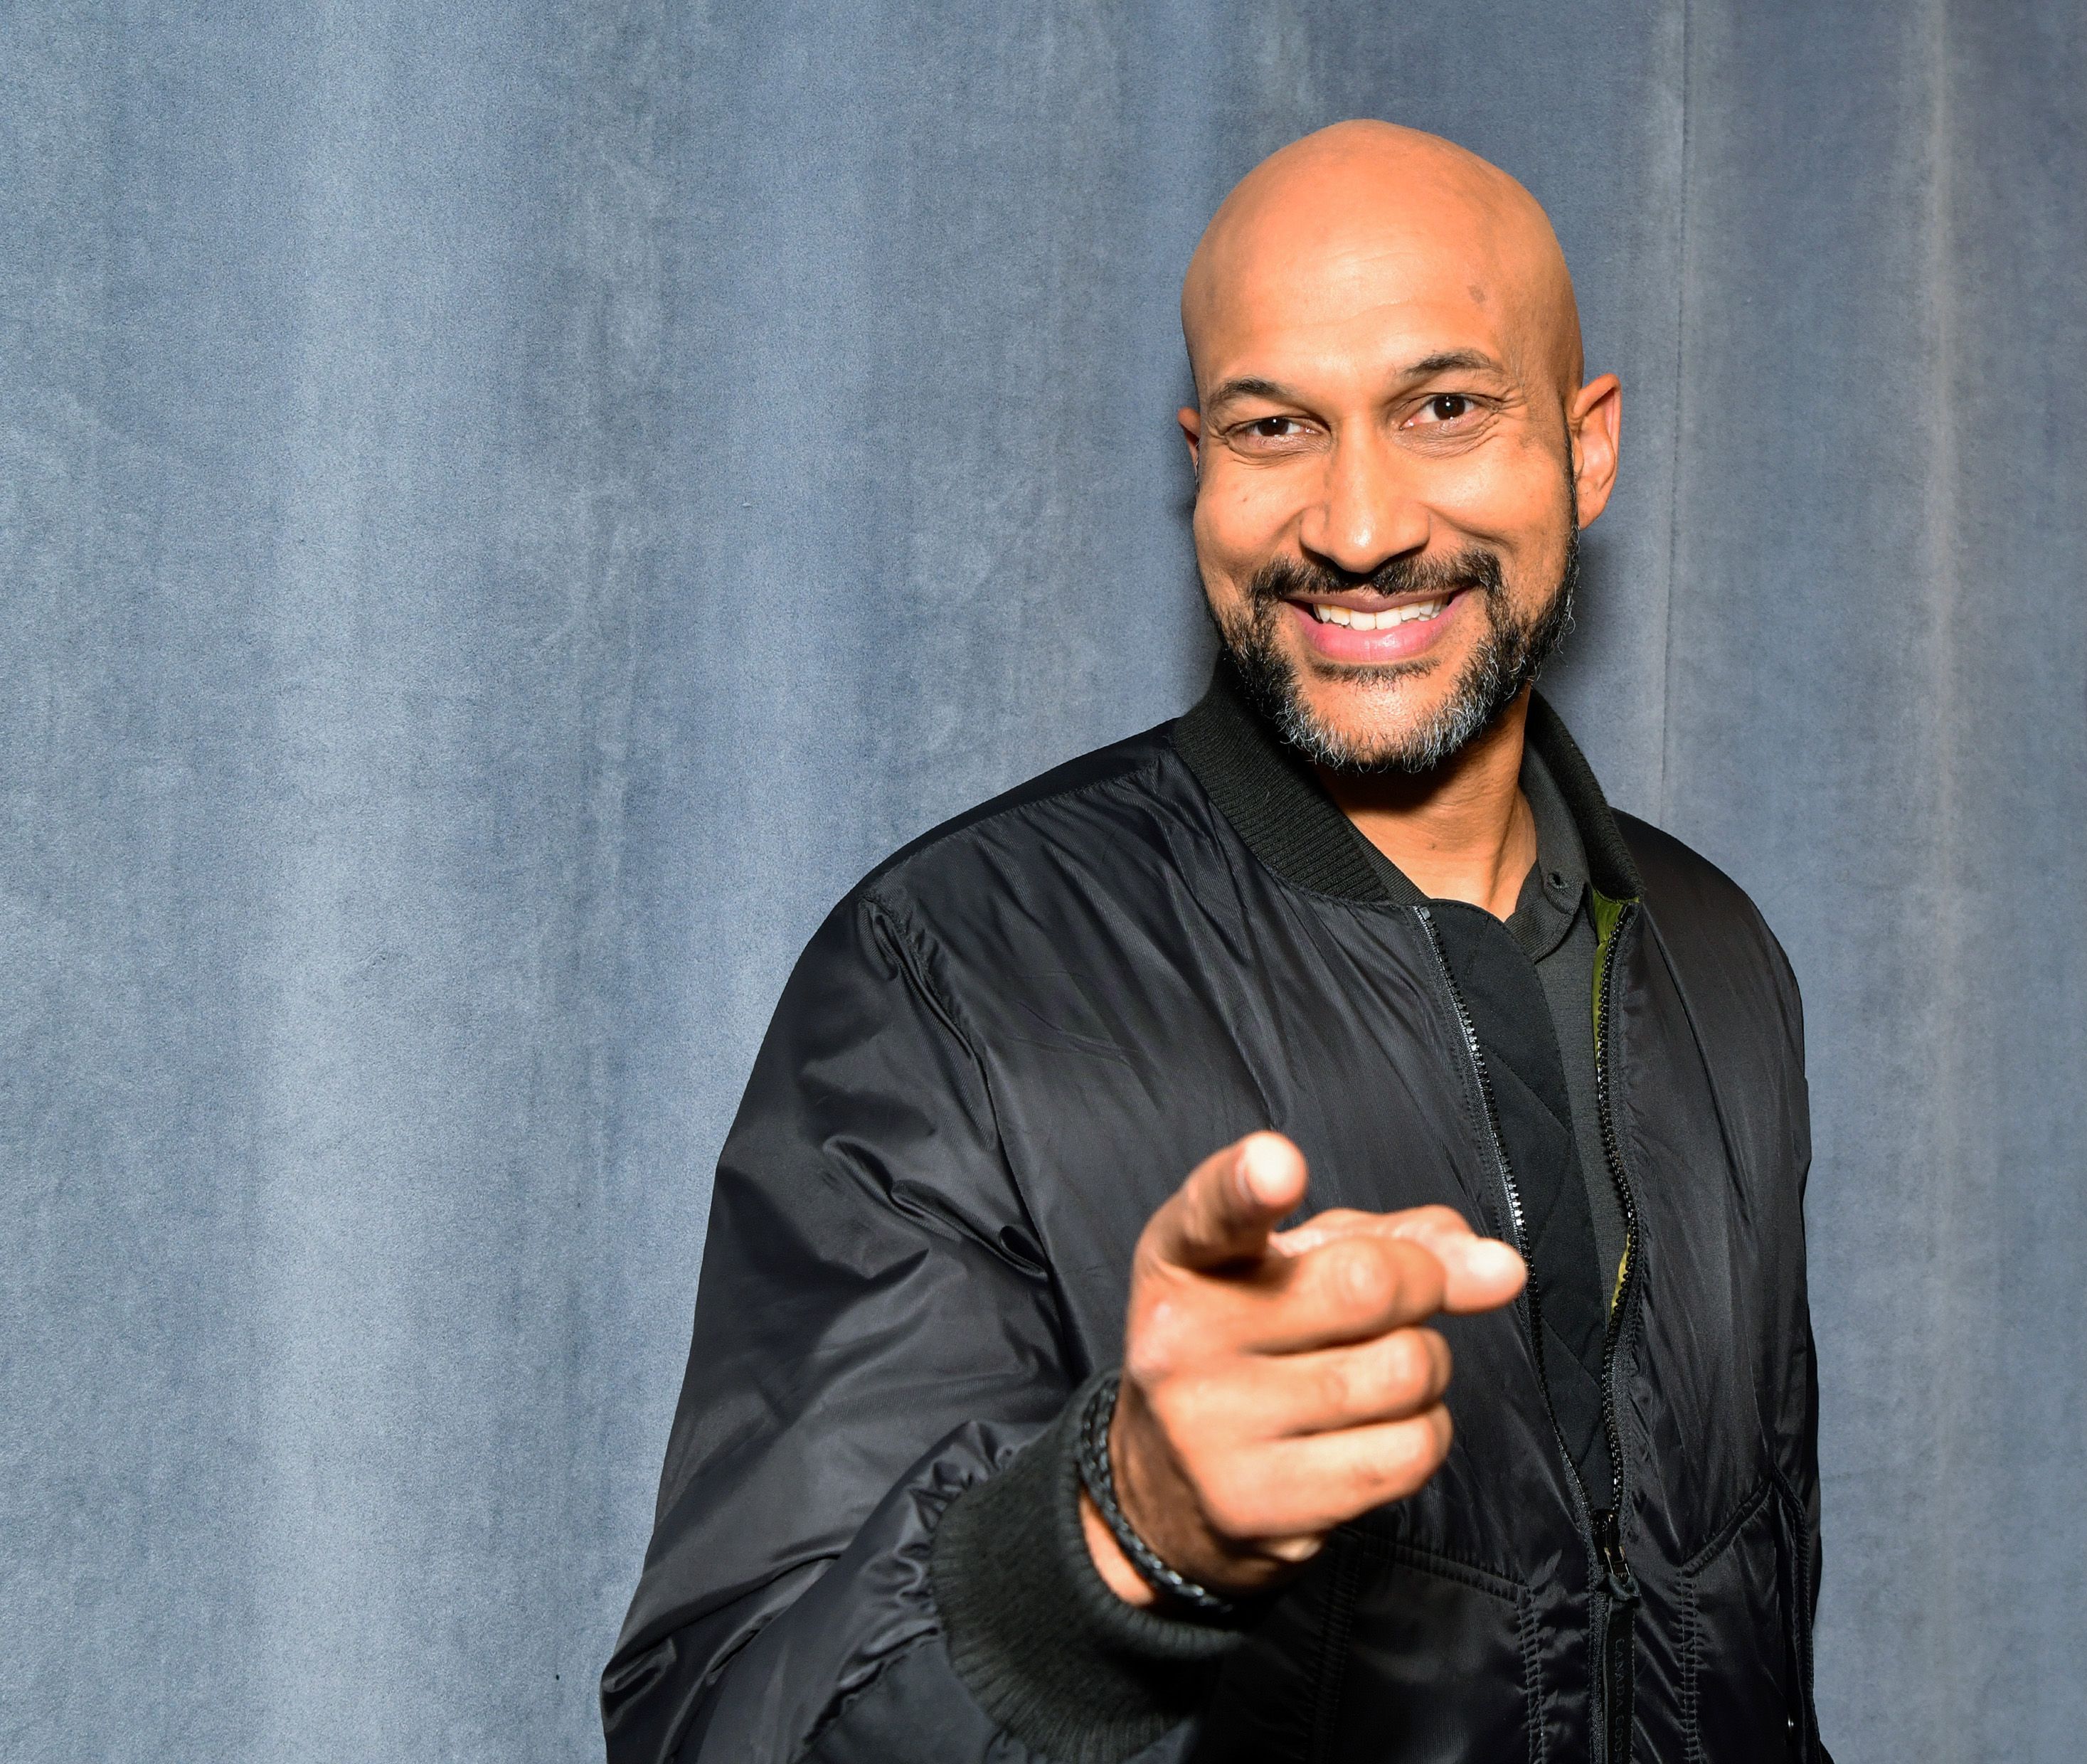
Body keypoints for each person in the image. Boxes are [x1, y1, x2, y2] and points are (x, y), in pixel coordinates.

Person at [602, 119, 1829, 1764]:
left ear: (1585, 450)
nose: (1361, 520)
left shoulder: (1712, 953)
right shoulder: (947, 981)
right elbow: (721, 1728)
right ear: (1202, 462)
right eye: (1277, 427)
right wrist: (1112, 1540)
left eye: (1444, 408)